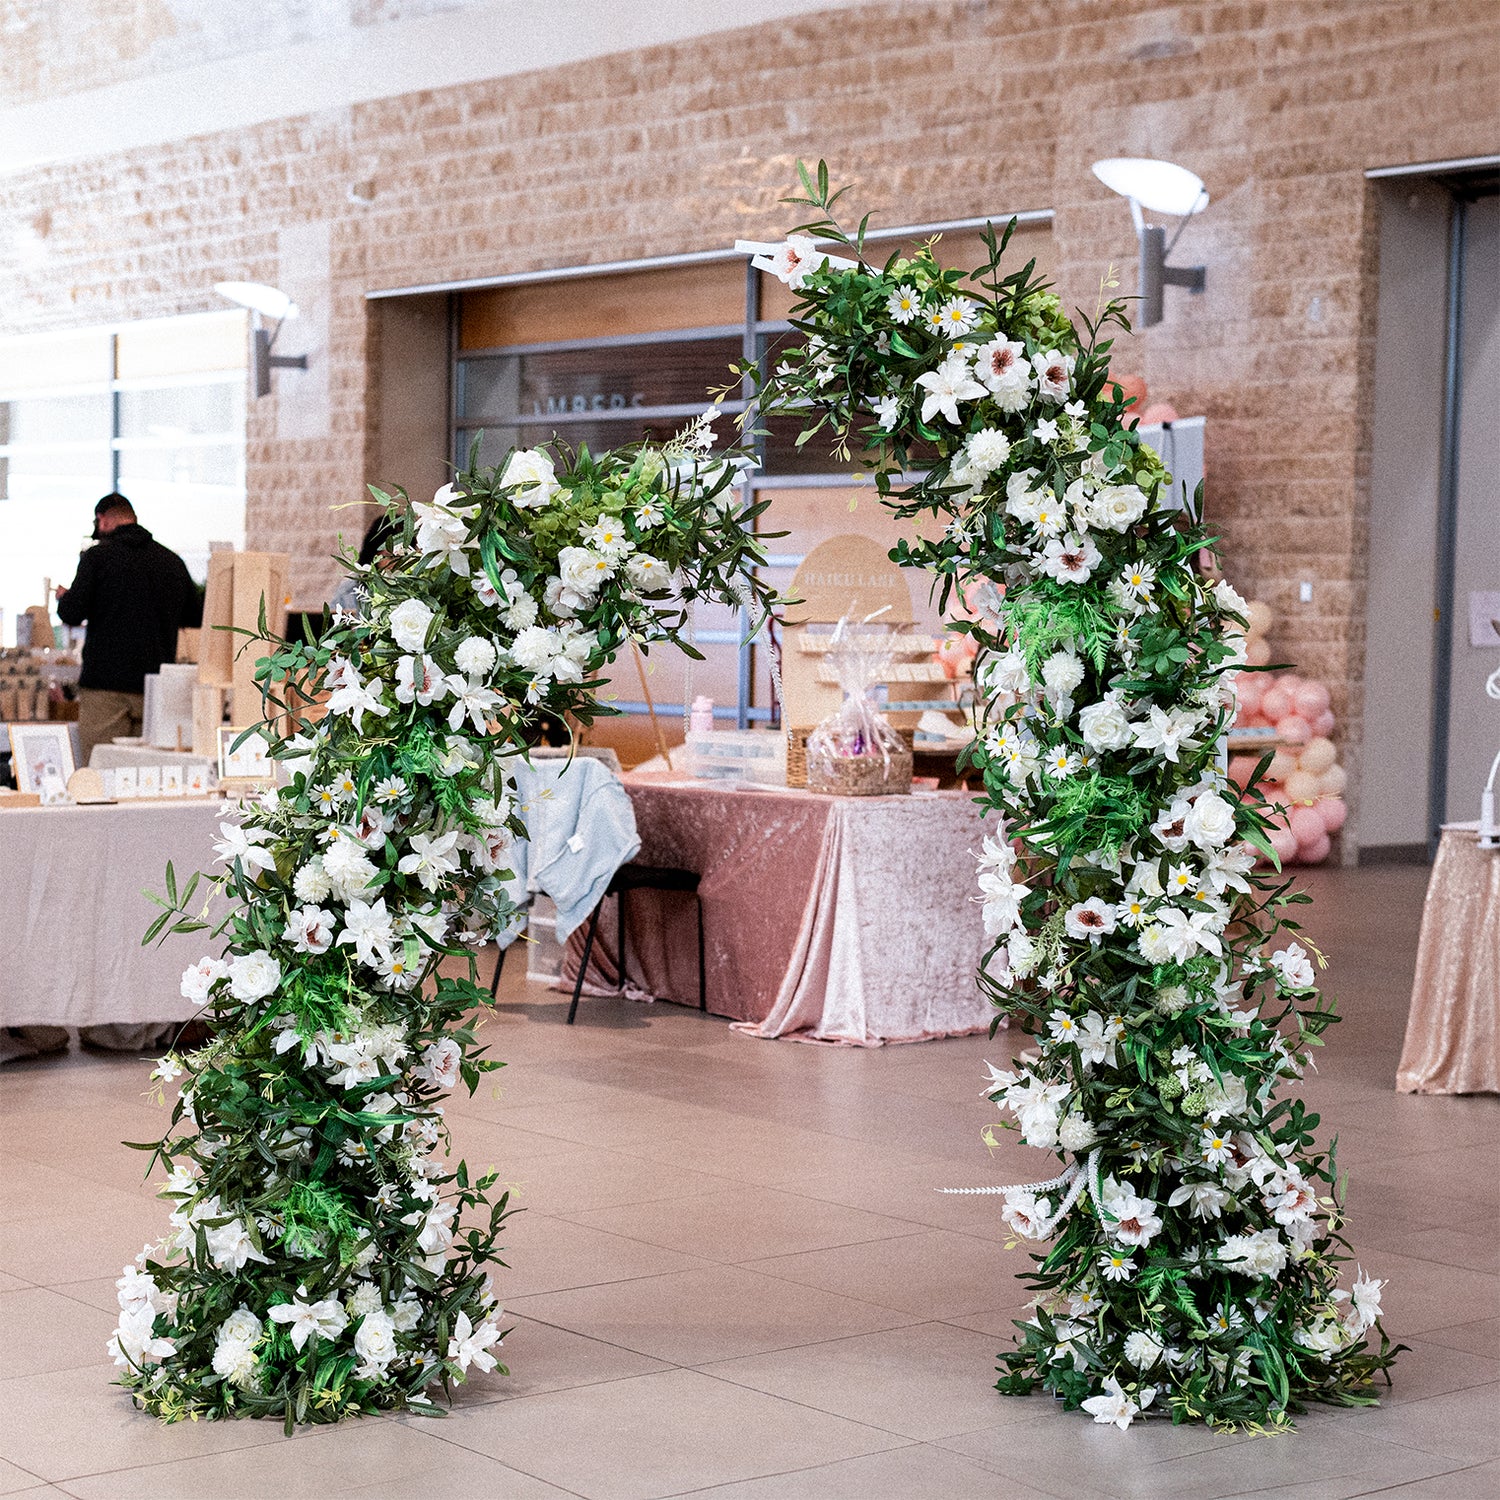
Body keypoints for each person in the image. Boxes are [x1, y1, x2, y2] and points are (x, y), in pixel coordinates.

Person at [55, 493, 202, 761]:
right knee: (145, 775)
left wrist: (65, 597)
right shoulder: (171, 562)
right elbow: (194, 616)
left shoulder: (97, 558)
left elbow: (71, 612)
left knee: (101, 772)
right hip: (155, 691)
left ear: (103, 520)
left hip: (106, 688)